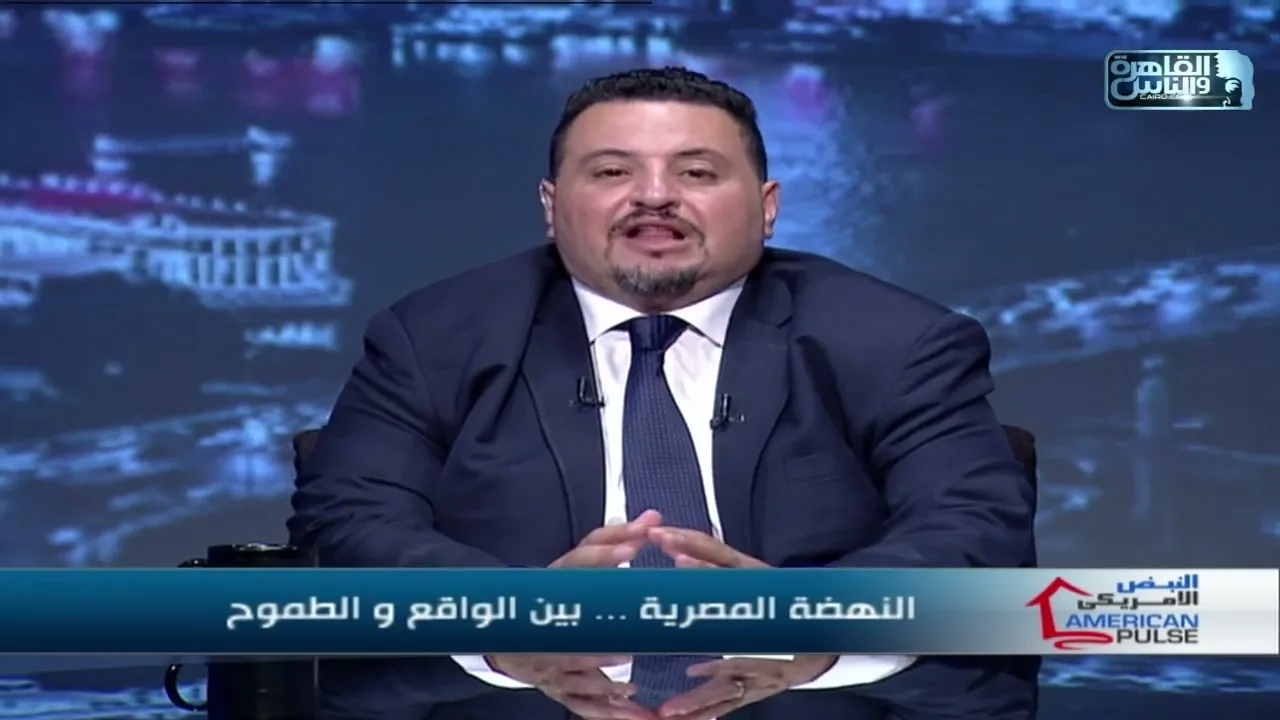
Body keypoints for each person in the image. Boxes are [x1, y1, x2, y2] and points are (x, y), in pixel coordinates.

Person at [289, 66, 1038, 720]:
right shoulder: (433, 338)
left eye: (698, 173)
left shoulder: (897, 340)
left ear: (768, 206)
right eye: (612, 172)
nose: (654, 197)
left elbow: (974, 529)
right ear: (551, 205)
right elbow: (348, 523)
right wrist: (507, 621)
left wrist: (813, 622)